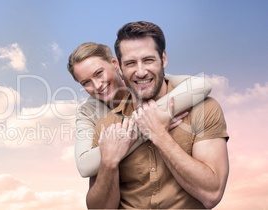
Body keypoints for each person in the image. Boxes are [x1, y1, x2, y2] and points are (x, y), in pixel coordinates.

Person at [86, 21, 229, 209]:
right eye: (130, 63)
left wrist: (159, 135)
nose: (141, 71)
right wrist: (109, 163)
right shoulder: (107, 125)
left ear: (164, 59)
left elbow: (212, 194)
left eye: (148, 60)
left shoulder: (204, 109)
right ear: (119, 68)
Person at [67, 42, 212, 178]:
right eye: (86, 82)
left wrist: (115, 146)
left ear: (114, 63)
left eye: (99, 73)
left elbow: (201, 85)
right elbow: (85, 167)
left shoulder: (141, 79)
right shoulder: (87, 111)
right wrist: (148, 129)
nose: (97, 85)